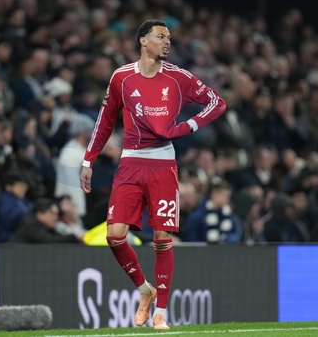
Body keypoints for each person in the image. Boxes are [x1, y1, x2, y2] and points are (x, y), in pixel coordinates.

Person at [79, 19, 226, 330]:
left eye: (169, 37)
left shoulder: (177, 77)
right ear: (143, 41)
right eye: (160, 36)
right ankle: (144, 289)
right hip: (131, 162)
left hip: (163, 164)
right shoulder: (121, 77)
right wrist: (88, 160)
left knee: (162, 238)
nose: (167, 41)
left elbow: (217, 102)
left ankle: (161, 312)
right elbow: (105, 120)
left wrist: (187, 127)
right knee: (114, 236)